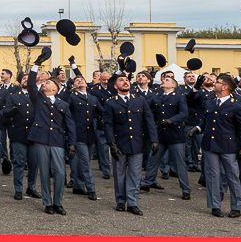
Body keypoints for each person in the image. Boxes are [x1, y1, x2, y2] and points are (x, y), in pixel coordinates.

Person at [27, 49, 76, 215]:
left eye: (48, 83)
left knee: (60, 173)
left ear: (55, 88)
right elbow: (31, 84)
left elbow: (70, 125)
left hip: (57, 141)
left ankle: (58, 202)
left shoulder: (63, 104)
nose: (45, 84)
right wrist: (36, 64)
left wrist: (72, 144)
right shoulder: (38, 99)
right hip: (41, 140)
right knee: (44, 172)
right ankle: (47, 203)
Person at [103, 72, 158, 215]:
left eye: (126, 80)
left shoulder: (139, 100)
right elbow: (108, 125)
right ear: (116, 86)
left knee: (135, 174)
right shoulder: (111, 102)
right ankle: (120, 201)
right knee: (119, 174)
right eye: (121, 80)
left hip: (137, 143)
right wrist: (111, 144)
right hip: (119, 143)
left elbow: (149, 120)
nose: (125, 82)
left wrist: (154, 139)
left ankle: (133, 202)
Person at [200, 73, 241, 218]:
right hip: (210, 144)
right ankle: (215, 205)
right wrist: (197, 128)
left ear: (225, 87)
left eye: (218, 82)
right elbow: (205, 122)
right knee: (212, 176)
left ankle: (236, 206)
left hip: (228, 145)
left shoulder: (236, 106)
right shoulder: (210, 102)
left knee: (232, 176)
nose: (215, 83)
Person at [141, 74, 190, 199]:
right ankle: (148, 182)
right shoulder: (156, 97)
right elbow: (147, 108)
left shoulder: (179, 97)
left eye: (167, 80)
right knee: (153, 160)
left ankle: (185, 189)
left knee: (179, 163)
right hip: (160, 134)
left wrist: (170, 120)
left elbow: (184, 114)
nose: (164, 81)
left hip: (175, 135)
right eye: (163, 79)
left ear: (173, 85)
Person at [60, 65, 101, 201]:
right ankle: (91, 189)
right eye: (77, 81)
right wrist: (67, 87)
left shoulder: (93, 98)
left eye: (82, 80)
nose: (80, 82)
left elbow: (102, 112)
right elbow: (63, 103)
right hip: (77, 134)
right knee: (85, 163)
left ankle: (78, 185)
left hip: (90, 135)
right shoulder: (72, 97)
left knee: (80, 161)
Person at [1, 76, 38, 200]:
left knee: (33, 164)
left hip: (34, 135)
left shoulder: (37, 96)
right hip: (18, 134)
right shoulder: (13, 96)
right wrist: (12, 111)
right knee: (19, 163)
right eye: (24, 79)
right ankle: (18, 189)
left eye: (29, 78)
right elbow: (5, 111)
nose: (26, 80)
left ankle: (31, 187)